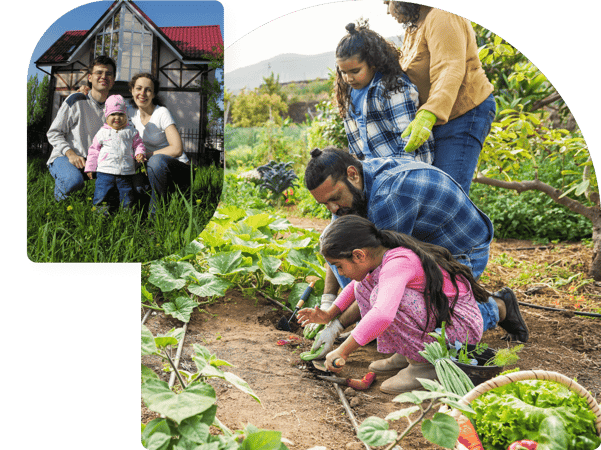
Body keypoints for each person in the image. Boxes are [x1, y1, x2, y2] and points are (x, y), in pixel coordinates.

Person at [302, 148, 528, 368]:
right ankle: (401, 344)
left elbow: (378, 280)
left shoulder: (389, 198)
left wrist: (340, 327)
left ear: (352, 174)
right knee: (378, 296)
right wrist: (329, 307)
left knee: (404, 306)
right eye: (325, 204)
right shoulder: (353, 186)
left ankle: (496, 307)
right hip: (422, 251)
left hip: (462, 251)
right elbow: (337, 246)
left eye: (335, 199)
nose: (332, 208)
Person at [298, 215, 488, 393]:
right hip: (443, 321)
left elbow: (382, 314)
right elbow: (356, 287)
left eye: (339, 265)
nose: (339, 272)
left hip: (460, 329)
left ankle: (424, 366)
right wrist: (329, 314)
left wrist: (343, 351)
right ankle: (409, 352)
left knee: (382, 299)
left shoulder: (398, 263)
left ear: (359, 255)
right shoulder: (380, 259)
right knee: (366, 287)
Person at [385, 1, 496, 195]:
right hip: (441, 118)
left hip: (464, 112)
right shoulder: (417, 25)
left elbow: (449, 67)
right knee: (433, 194)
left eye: (388, 2)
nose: (388, 11)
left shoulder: (443, 14)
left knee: (447, 196)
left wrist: (429, 112)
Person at [335, 21, 434, 163]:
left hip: (405, 171)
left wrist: (392, 174)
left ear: (373, 63)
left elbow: (409, 142)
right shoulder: (348, 94)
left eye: (355, 71)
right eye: (343, 72)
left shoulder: (392, 89)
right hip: (374, 172)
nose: (348, 78)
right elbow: (357, 148)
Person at [46, 55, 116, 201]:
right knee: (73, 181)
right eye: (99, 73)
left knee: (118, 184)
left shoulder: (113, 109)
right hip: (64, 156)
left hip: (93, 162)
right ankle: (58, 206)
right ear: (90, 78)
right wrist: (70, 154)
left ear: (113, 80)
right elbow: (54, 132)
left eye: (108, 74)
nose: (104, 76)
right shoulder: (76, 100)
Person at [127, 72, 191, 213]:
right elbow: (108, 111)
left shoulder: (161, 113)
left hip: (178, 170)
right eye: (138, 88)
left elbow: (177, 149)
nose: (142, 93)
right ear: (132, 90)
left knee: (156, 161)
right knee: (137, 186)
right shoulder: (130, 113)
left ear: (154, 94)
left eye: (148, 90)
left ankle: (156, 216)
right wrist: (84, 95)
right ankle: (144, 209)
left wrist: (146, 156)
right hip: (152, 170)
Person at [84, 95, 146, 211]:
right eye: (113, 114)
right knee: (102, 195)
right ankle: (100, 216)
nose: (117, 117)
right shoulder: (102, 132)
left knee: (127, 196)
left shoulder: (131, 131)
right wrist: (90, 167)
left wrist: (140, 153)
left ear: (126, 115)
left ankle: (126, 216)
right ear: (106, 116)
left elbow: (139, 145)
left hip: (126, 173)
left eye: (121, 114)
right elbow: (94, 150)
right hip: (104, 172)